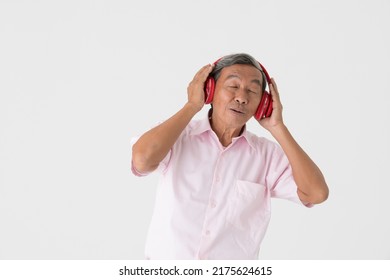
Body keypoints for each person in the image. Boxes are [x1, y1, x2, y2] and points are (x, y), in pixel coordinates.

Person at [131, 53, 329, 260]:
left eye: (252, 90)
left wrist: (278, 128)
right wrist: (191, 106)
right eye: (233, 86)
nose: (242, 97)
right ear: (209, 90)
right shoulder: (177, 135)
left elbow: (317, 193)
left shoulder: (267, 156)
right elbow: (142, 160)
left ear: (263, 103)